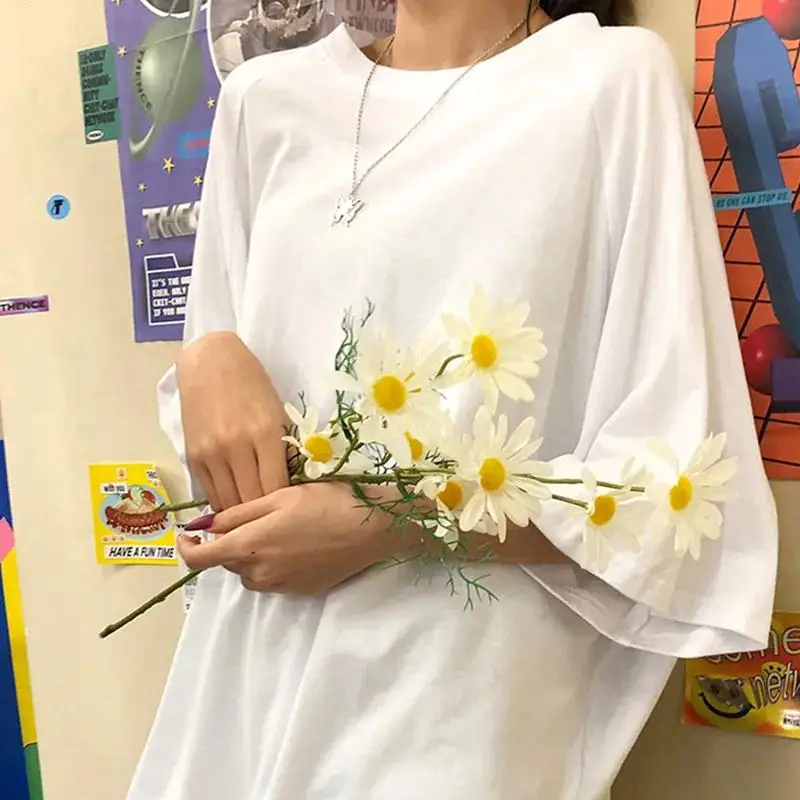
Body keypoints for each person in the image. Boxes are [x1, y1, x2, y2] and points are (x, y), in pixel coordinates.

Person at [126, 1, 779, 798]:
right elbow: (223, 422)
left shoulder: (609, 83)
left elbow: (671, 492)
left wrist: (385, 520)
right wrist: (204, 357)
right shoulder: (263, 101)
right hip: (250, 677)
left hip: (460, 706)